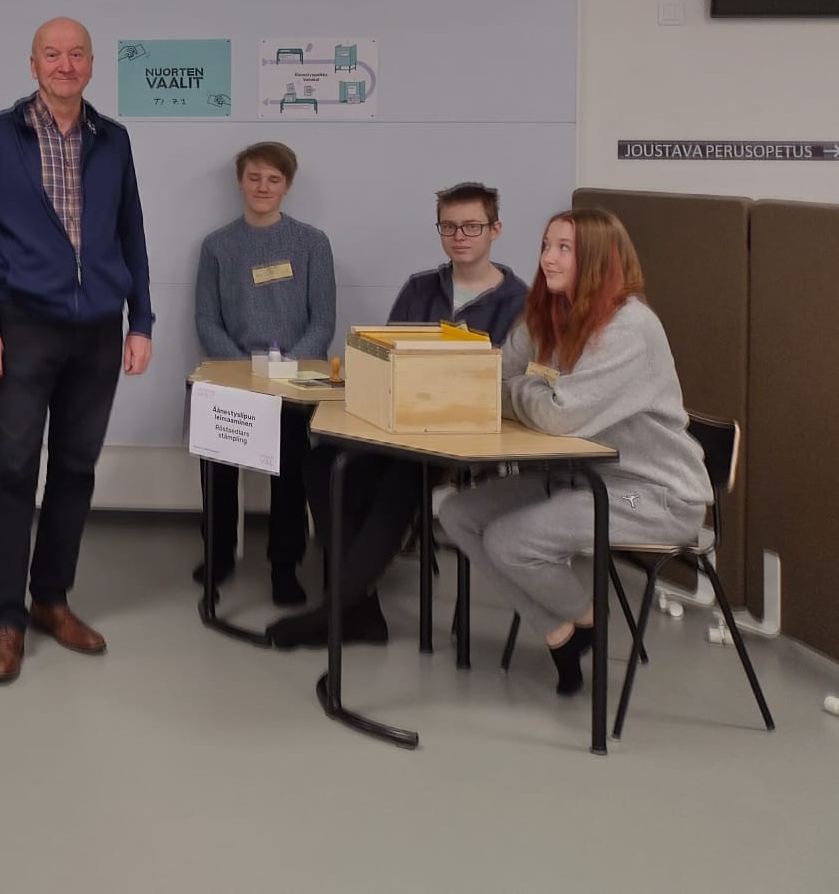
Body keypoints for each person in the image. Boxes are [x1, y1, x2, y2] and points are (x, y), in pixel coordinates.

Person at [439, 207, 710, 697]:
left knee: (509, 541)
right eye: (547, 245)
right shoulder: (550, 312)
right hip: (579, 479)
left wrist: (523, 392)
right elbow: (493, 380)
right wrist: (523, 391)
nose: (548, 258)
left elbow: (560, 415)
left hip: (650, 495)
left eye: (565, 248)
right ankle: (566, 628)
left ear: (600, 260)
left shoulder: (630, 327)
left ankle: (587, 618)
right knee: (458, 513)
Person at [0, 17, 153, 685]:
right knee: (14, 470)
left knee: (75, 468)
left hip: (98, 329)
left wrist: (140, 321)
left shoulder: (113, 140)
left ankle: (50, 600)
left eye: (76, 55)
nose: (65, 65)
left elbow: (131, 233)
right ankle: (5, 622)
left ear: (92, 65)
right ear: (33, 63)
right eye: (52, 54)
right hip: (23, 325)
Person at [266, 181, 529, 649]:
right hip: (399, 425)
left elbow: (513, 384)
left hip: (462, 441)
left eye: (472, 226)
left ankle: (333, 612)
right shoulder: (420, 288)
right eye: (449, 226)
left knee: (402, 477)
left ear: (496, 229)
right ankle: (362, 611)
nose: (460, 236)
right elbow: (385, 356)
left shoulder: (521, 304)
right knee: (322, 462)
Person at [193, 141, 334, 605]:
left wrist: (282, 373)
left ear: (287, 186)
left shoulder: (312, 243)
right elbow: (207, 320)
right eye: (254, 177)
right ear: (240, 181)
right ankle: (218, 555)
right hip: (232, 375)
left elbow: (323, 322)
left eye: (273, 179)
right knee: (216, 463)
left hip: (293, 380)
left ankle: (284, 565)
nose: (262, 187)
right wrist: (243, 373)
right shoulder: (217, 246)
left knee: (291, 468)